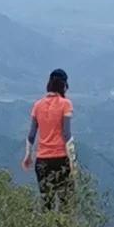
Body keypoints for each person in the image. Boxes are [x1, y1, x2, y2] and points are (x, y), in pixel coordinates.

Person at [23, 70, 75, 202]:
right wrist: (72, 161)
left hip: (42, 160)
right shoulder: (66, 104)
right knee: (66, 203)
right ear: (64, 85)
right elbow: (67, 134)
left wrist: (28, 155)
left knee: (47, 202)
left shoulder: (37, 105)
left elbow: (31, 135)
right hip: (61, 159)